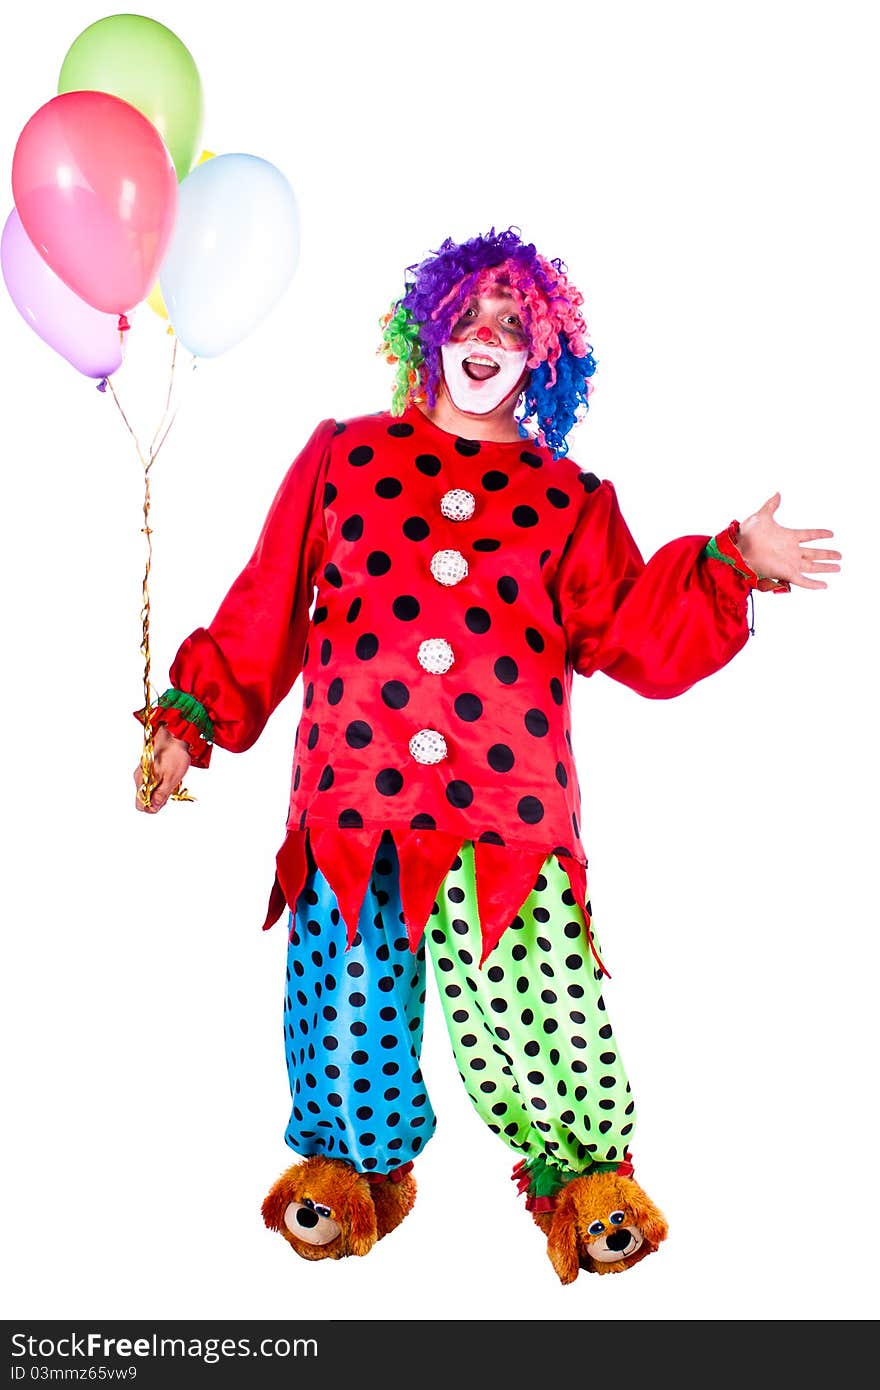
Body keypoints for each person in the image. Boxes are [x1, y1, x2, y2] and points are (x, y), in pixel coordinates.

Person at [134, 226, 840, 1281]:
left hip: (507, 813)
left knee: (541, 999)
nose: (486, 339)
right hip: (351, 795)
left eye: (513, 326)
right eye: (466, 319)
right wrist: (188, 724)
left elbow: (635, 633)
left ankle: (585, 1179)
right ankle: (346, 1168)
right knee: (345, 991)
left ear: (544, 356)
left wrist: (730, 560)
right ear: (425, 334)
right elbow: (265, 604)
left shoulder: (570, 500)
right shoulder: (344, 456)